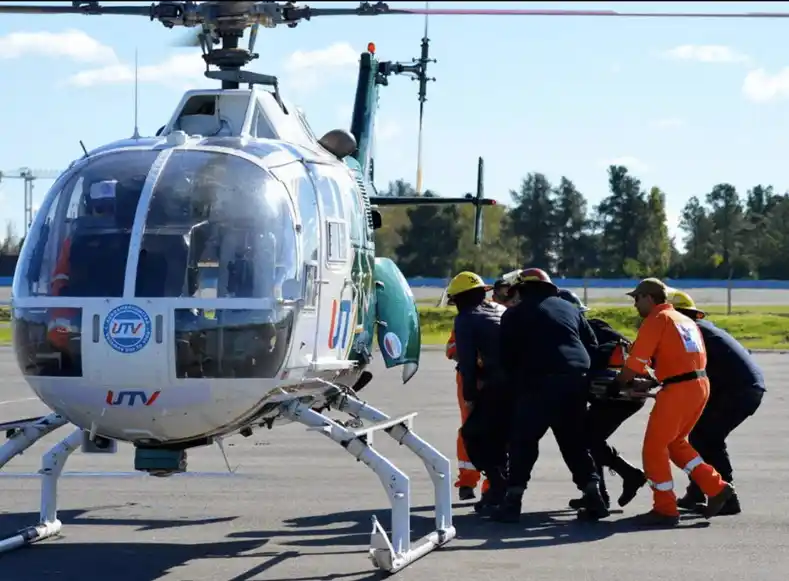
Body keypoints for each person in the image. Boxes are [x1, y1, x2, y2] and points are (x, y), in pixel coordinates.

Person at [612, 278, 735, 526]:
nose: (635, 304)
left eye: (637, 298)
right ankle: (717, 487)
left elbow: (635, 363)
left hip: (679, 389)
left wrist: (618, 384)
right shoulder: (684, 320)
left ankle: (665, 508)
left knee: (654, 448)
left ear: (649, 297)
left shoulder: (657, 319)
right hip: (698, 385)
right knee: (675, 444)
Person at [491, 268, 609, 523]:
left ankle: (512, 502)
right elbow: (592, 345)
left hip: (538, 382)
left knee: (523, 442)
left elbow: (506, 357)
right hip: (576, 381)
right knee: (574, 441)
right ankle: (594, 496)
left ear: (523, 289)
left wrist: (511, 387)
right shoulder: (570, 309)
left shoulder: (514, 314)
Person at [669, 289, 765, 515]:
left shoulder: (689, 332)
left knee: (707, 437)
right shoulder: (700, 329)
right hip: (742, 388)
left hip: (738, 391)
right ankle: (697, 492)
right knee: (698, 436)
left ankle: (728, 497)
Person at [557, 289, 647, 511]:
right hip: (626, 393)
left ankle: (606, 492)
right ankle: (610, 487)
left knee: (584, 440)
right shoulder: (598, 326)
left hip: (617, 394)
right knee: (589, 438)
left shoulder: (575, 336)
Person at [446, 274, 516, 501]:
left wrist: (470, 391)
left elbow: (462, 357)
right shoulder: (502, 312)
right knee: (500, 434)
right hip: (511, 382)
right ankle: (477, 483)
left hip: (480, 381)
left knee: (473, 432)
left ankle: (492, 486)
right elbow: (453, 349)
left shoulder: (467, 318)